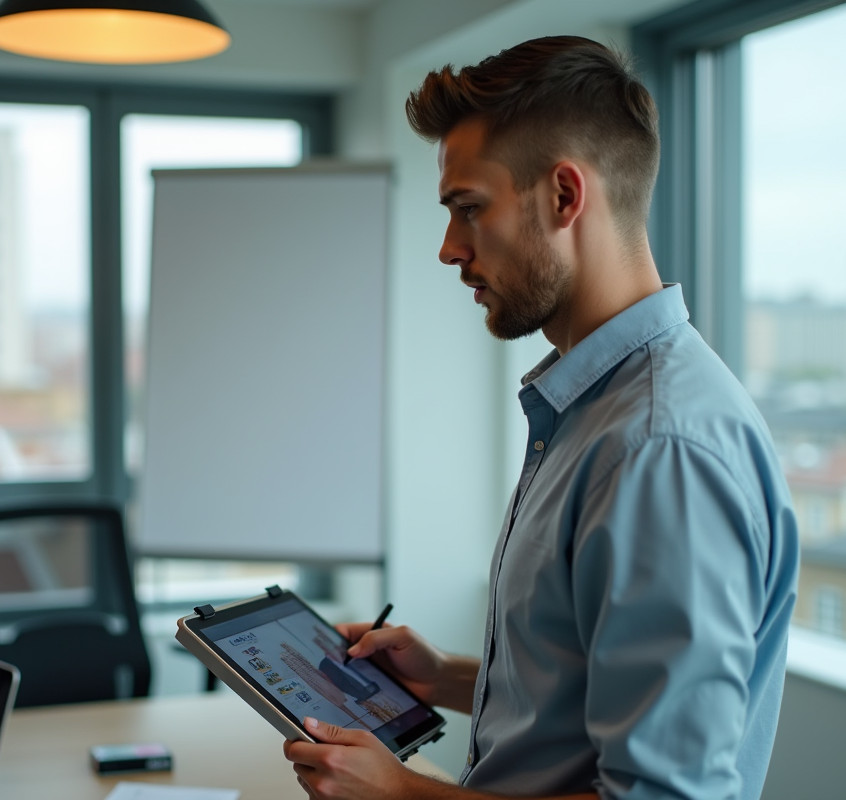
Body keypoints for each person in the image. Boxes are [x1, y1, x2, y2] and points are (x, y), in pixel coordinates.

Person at [283, 35, 798, 800]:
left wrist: (400, 794)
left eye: (468, 209)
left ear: (564, 195)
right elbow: (586, 690)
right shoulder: (594, 410)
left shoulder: (657, 448)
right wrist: (447, 676)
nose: (449, 249)